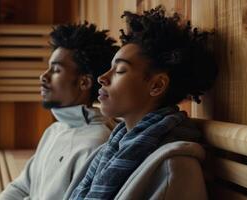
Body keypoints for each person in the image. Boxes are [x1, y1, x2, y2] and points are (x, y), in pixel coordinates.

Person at [66, 6, 217, 200]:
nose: (102, 78)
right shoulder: (111, 149)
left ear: (156, 85)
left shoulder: (175, 169)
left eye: (119, 70)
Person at [0, 22, 119, 200]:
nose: (43, 76)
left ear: (84, 82)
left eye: (56, 70)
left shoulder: (95, 144)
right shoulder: (55, 130)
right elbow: (22, 186)